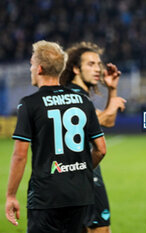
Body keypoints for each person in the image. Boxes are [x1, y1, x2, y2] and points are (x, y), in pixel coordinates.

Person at [5, 40, 106, 233]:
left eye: (32, 65)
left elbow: (19, 155)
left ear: (40, 69)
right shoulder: (83, 101)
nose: (31, 69)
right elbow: (101, 149)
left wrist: (10, 196)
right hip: (80, 194)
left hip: (47, 196)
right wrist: (80, 170)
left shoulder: (30, 104)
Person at [60, 41, 126, 233]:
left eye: (99, 64)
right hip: (82, 172)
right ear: (75, 68)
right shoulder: (73, 95)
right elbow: (94, 121)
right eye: (91, 64)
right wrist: (112, 106)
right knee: (100, 230)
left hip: (73, 172)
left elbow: (107, 121)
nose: (98, 68)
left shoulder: (74, 95)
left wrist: (111, 89)